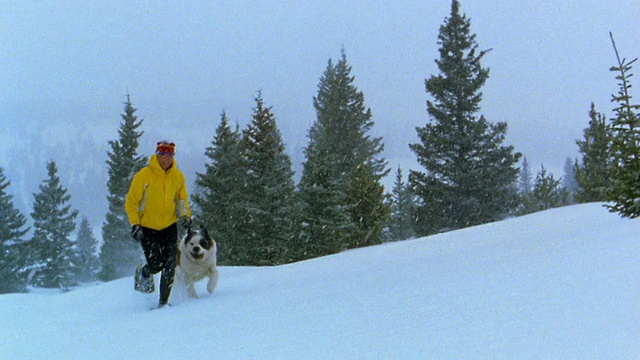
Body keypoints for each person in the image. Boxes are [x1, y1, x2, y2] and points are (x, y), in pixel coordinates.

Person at [125, 140, 192, 307]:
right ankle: (145, 270)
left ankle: (163, 303)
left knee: (170, 264)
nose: (166, 159)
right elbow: (131, 201)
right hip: (147, 227)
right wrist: (135, 224)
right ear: (157, 155)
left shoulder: (177, 177)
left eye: (170, 155)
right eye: (163, 154)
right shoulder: (144, 175)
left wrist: (185, 215)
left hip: (169, 226)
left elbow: (181, 199)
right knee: (156, 265)